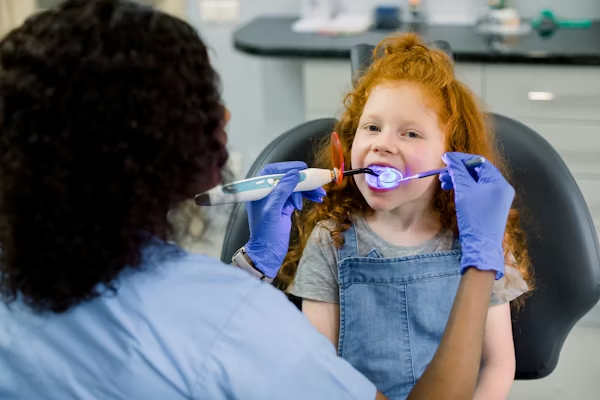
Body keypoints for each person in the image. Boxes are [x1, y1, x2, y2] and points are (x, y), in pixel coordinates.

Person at [0, 1, 515, 399]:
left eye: (410, 133)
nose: (225, 118)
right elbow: (222, 333)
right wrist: (479, 266)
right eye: (205, 105)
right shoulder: (246, 308)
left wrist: (250, 271)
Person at [282, 33, 535, 400]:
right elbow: (320, 371)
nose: (383, 143)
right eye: (371, 127)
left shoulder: (481, 239)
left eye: (411, 132)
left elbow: (496, 365)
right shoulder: (331, 239)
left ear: (453, 156)